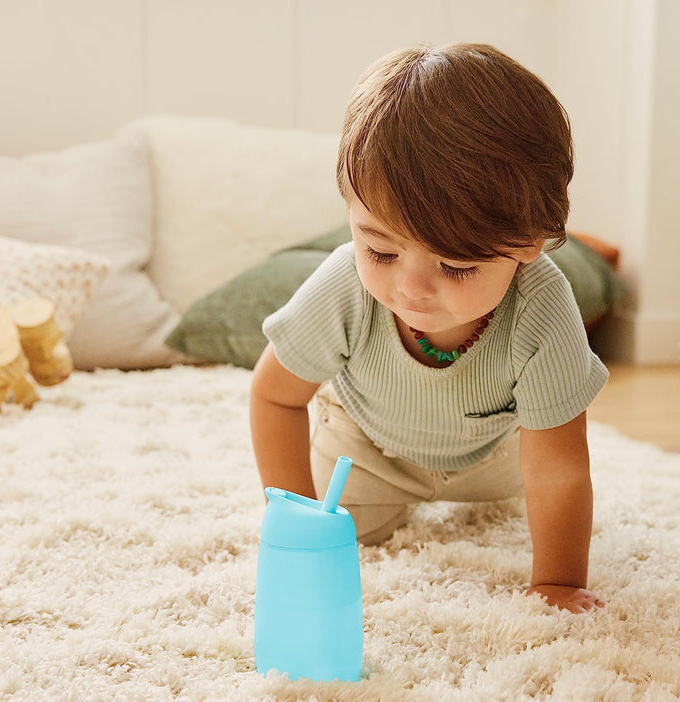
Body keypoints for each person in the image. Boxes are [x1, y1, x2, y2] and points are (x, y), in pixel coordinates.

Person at [249, 43, 608, 613]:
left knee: (535, 493)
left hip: (494, 459)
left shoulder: (543, 305)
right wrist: (297, 523)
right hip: (366, 450)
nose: (411, 288)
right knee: (346, 531)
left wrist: (559, 582)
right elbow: (275, 397)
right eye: (380, 250)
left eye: (456, 265)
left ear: (530, 243)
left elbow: (558, 467)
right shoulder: (344, 285)